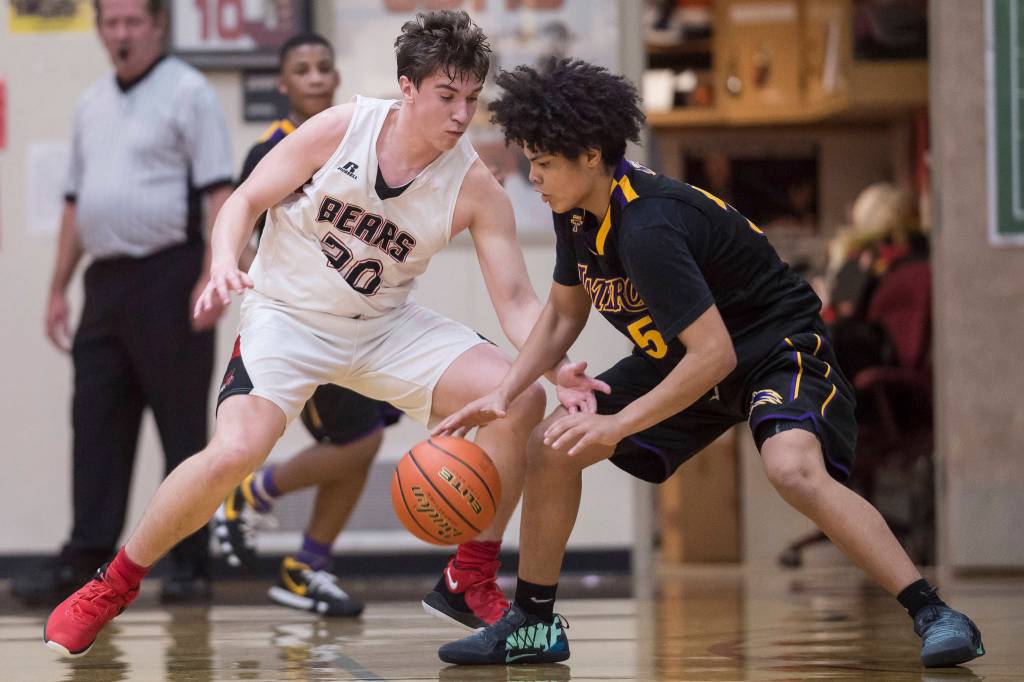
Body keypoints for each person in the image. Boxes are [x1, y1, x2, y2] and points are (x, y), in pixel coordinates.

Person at [43, 10, 606, 658]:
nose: (460, 114)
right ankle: (112, 585)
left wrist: (554, 365)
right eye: (447, 96)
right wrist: (225, 259)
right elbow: (245, 199)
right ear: (408, 86)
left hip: (383, 326)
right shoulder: (343, 129)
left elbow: (514, 301)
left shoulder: (474, 186)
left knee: (522, 398)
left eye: (472, 100)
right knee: (234, 452)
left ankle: (468, 575)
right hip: (287, 317)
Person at [433, 58, 985, 669]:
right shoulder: (576, 213)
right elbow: (565, 315)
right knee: (553, 442)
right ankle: (532, 625)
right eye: (530, 162)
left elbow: (717, 354)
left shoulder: (648, 224)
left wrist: (618, 425)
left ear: (591, 153)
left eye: (543, 163)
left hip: (772, 348)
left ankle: (934, 611)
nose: (532, 177)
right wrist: (507, 390)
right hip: (688, 353)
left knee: (792, 470)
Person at [15, 0, 233, 607]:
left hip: (170, 279)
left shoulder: (190, 93)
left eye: (133, 22)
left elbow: (221, 192)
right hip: (104, 288)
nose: (121, 33)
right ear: (99, 31)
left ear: (157, 27)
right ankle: (85, 560)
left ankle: (189, 566)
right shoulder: (91, 104)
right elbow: (74, 203)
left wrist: (211, 277)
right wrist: (59, 285)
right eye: (111, 23)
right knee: (95, 428)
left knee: (183, 431)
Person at [213, 32, 402, 618]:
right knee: (357, 442)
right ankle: (251, 494)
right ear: (283, 84)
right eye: (303, 69)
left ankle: (308, 566)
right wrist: (247, 276)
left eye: (325, 66)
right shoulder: (271, 149)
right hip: (302, 322)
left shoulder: (359, 143)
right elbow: (242, 231)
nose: (317, 77)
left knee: (358, 445)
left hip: (362, 315)